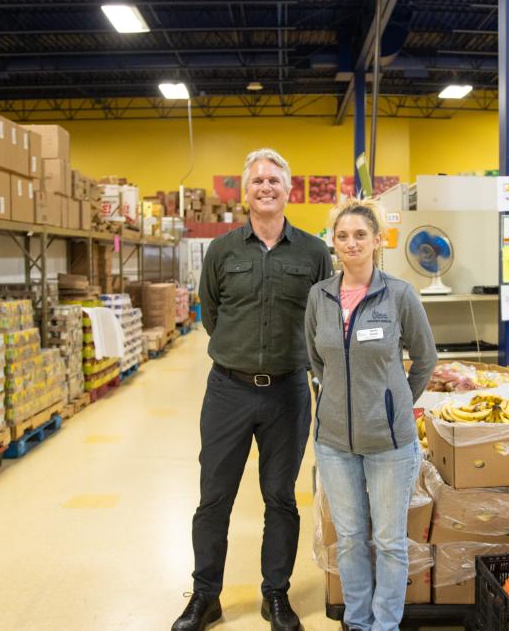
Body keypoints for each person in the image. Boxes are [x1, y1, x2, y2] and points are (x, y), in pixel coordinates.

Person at [173, 148, 333, 631]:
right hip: (229, 390)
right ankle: (205, 596)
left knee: (280, 497)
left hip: (288, 392)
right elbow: (212, 312)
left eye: (274, 180)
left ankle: (276, 595)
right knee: (214, 496)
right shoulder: (223, 251)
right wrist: (240, 354)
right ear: (246, 193)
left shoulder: (313, 253)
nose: (266, 187)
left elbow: (322, 319)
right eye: (257, 181)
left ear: (289, 190)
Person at [305, 199, 437, 631]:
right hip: (334, 444)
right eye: (342, 235)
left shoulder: (399, 294)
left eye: (361, 234)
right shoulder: (319, 297)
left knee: (389, 541)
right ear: (333, 243)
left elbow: (425, 358)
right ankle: (357, 622)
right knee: (349, 540)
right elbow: (317, 362)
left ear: (378, 241)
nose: (351, 242)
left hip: (390, 443)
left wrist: (394, 402)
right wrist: (337, 405)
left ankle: (385, 625)